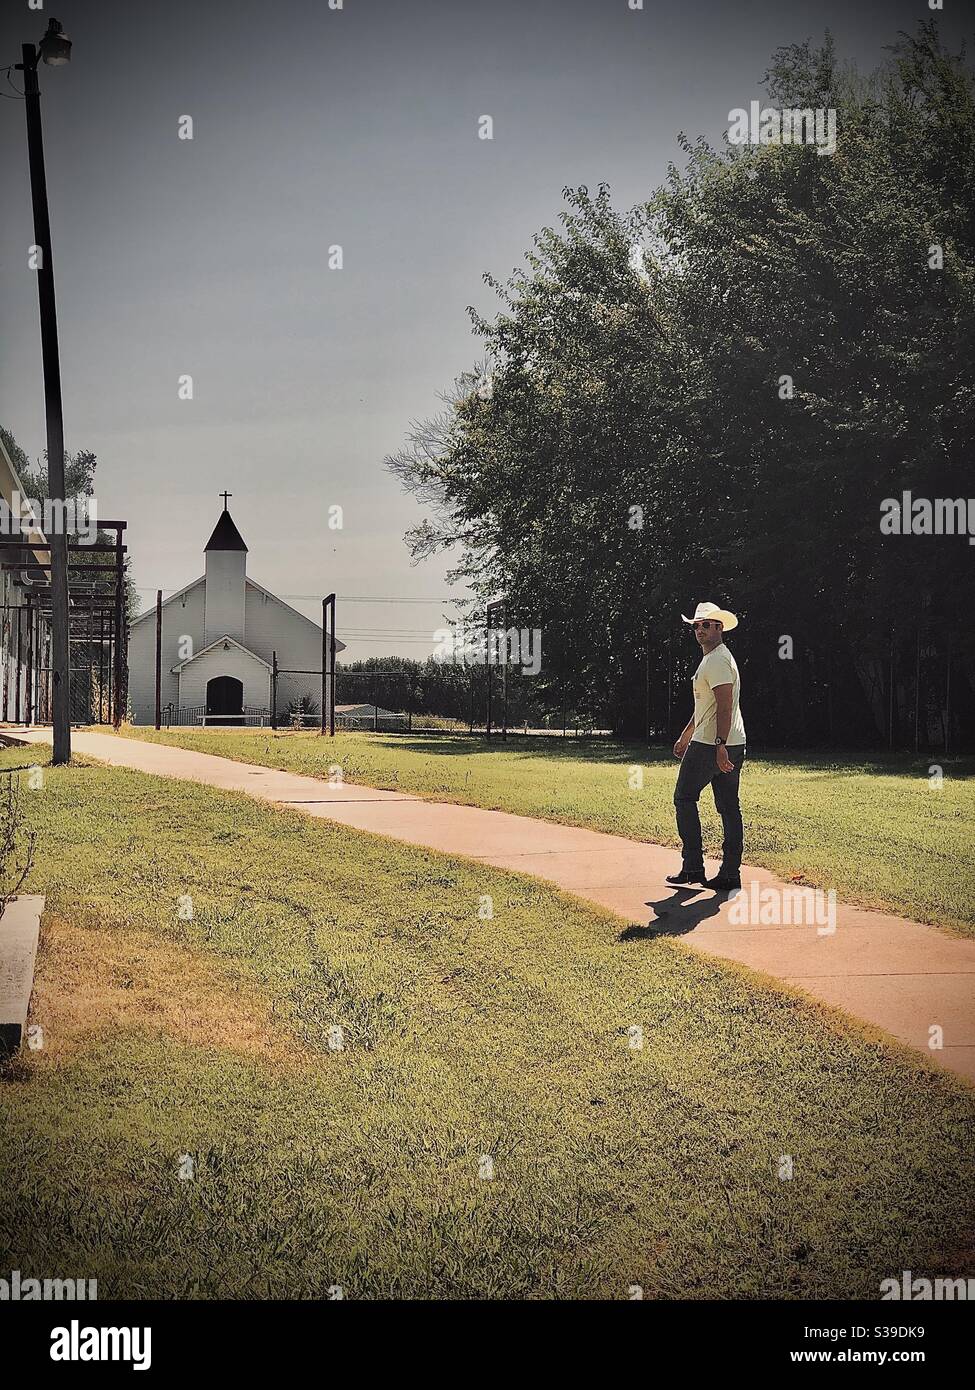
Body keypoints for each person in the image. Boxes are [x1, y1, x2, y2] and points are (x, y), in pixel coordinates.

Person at [666, 602, 747, 892]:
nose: (700, 630)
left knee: (684, 797)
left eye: (706, 625)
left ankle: (692, 867)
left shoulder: (717, 660)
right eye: (696, 625)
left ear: (719, 628)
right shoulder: (714, 658)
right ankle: (729, 874)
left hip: (713, 744)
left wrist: (719, 745)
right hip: (725, 741)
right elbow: (706, 706)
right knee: (728, 807)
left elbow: (724, 706)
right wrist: (686, 733)